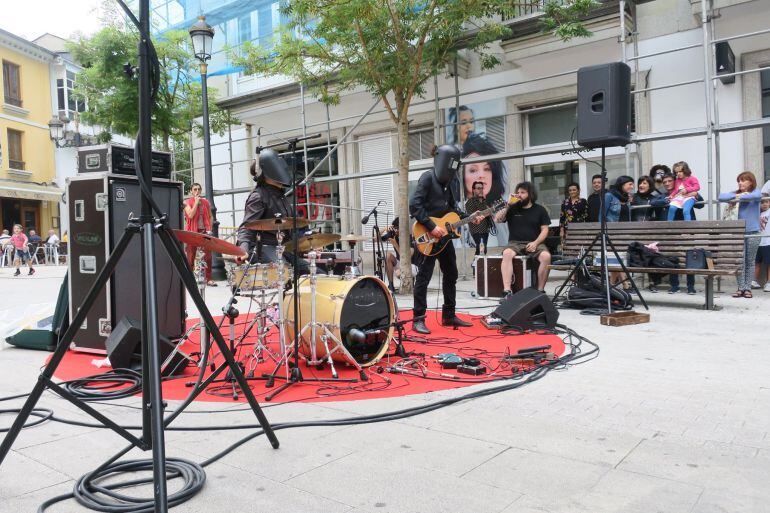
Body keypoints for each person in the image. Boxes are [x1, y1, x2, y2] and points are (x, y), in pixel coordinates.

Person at [410, 145, 477, 334]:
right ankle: (418, 319)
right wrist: (432, 226)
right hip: (427, 236)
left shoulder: (451, 182)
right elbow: (415, 205)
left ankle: (448, 315)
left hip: (444, 238)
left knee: (452, 274)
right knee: (423, 278)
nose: (454, 169)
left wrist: (470, 216)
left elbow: (452, 208)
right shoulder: (427, 178)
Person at [236, 150, 309, 274]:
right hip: (264, 248)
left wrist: (310, 242)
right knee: (283, 272)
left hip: (283, 248)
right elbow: (246, 227)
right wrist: (243, 249)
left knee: (314, 271)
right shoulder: (258, 196)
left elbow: (296, 224)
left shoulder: (282, 196)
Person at [494, 182, 552, 297]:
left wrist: (536, 243)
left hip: (534, 242)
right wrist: (508, 205)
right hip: (515, 242)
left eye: (523, 192)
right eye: (518, 192)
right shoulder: (512, 208)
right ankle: (507, 291)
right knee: (507, 253)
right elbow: (497, 219)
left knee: (546, 257)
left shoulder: (540, 210)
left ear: (530, 194)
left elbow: (545, 230)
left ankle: (540, 290)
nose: (519, 195)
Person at [650, 173, 697, 294]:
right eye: (664, 182)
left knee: (689, 257)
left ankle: (691, 286)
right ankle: (674, 285)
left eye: (669, 181)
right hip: (670, 231)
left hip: (686, 229)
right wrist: (669, 199)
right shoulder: (663, 195)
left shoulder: (684, 188)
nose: (667, 184)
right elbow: (653, 202)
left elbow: (699, 199)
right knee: (672, 258)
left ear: (675, 181)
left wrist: (691, 193)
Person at [719, 171, 763, 298]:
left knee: (750, 261)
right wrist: (738, 195)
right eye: (739, 180)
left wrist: (739, 196)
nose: (740, 183)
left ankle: (748, 288)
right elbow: (721, 196)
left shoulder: (756, 192)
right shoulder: (736, 193)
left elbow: (755, 196)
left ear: (751, 182)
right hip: (737, 232)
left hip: (753, 231)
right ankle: (740, 287)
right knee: (739, 261)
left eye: (743, 180)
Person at [183, 182, 215, 286]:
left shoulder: (205, 202)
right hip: (192, 232)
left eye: (199, 189)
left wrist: (209, 228)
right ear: (191, 191)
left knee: (208, 256)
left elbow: (210, 216)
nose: (197, 191)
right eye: (195, 189)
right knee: (191, 255)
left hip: (204, 231)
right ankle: (190, 279)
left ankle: (208, 278)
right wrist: (196, 203)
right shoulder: (187, 202)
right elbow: (191, 215)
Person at [382, 217, 421, 293]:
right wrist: (384, 229)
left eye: (397, 228)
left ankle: (410, 280)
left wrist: (395, 244)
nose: (396, 231)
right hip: (400, 263)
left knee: (398, 273)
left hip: (412, 265)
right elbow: (375, 239)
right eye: (395, 228)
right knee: (388, 256)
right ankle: (391, 285)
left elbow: (407, 258)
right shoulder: (394, 236)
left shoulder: (410, 238)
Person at [464, 181, 493, 256]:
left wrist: (491, 212)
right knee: (480, 249)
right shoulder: (470, 202)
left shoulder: (485, 201)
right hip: (476, 230)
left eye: (482, 188)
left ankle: (477, 265)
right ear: (473, 190)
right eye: (478, 188)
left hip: (485, 230)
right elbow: (471, 216)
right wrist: (487, 213)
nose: (481, 190)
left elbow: (490, 213)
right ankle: (476, 266)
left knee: (484, 250)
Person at [751, 197, 770, 291]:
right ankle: (754, 281)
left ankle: (769, 282)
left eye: (766, 202)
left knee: (769, 263)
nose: (764, 204)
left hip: (768, 241)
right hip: (758, 241)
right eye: (762, 202)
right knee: (756, 262)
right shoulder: (757, 213)